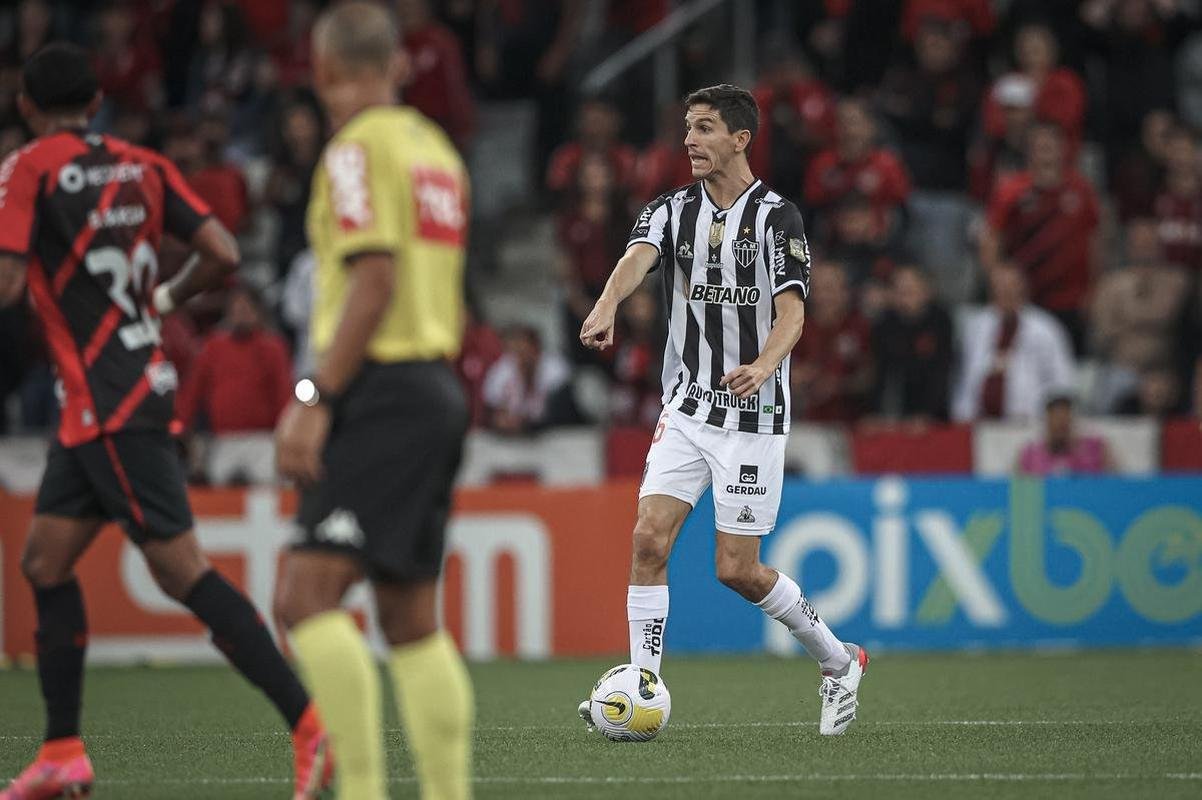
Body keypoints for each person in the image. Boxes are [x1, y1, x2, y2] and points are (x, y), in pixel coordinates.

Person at [0, 44, 330, 800]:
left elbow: (10, 280)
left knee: (183, 571)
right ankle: (61, 752)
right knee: (44, 563)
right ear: (95, 102)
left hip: (109, 402)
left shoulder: (28, 168)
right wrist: (165, 302)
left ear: (25, 105)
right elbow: (219, 250)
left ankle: (309, 724)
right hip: (121, 391)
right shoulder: (141, 164)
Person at [577, 84, 868, 737]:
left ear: (740, 138)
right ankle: (643, 688)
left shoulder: (777, 219)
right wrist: (607, 304)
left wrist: (764, 365)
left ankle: (839, 661)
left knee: (734, 568)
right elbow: (636, 259)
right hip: (686, 407)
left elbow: (793, 314)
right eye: (687, 128)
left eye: (704, 128)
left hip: (752, 417)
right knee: (649, 538)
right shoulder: (670, 209)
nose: (690, 140)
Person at [271, 3, 473, 799]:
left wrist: (315, 394)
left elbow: (374, 278)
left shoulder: (353, 151)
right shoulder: (437, 152)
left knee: (305, 596)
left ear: (322, 75)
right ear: (396, 64)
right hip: (436, 388)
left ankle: (359, 792)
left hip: (380, 387)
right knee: (410, 618)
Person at [953, 264, 1075, 421]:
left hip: (1030, 425)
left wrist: (1045, 417)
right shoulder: (976, 327)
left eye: (1010, 287)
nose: (1005, 293)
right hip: (978, 424)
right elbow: (964, 378)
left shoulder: (1046, 329)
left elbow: (1062, 382)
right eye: (999, 288)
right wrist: (962, 415)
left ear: (1022, 289)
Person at [1017, 395, 1112, 476]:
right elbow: (1017, 489)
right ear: (1047, 422)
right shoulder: (1030, 454)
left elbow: (1115, 483)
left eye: (1064, 423)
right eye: (1055, 421)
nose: (1060, 426)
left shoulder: (1095, 449)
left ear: (1072, 421)